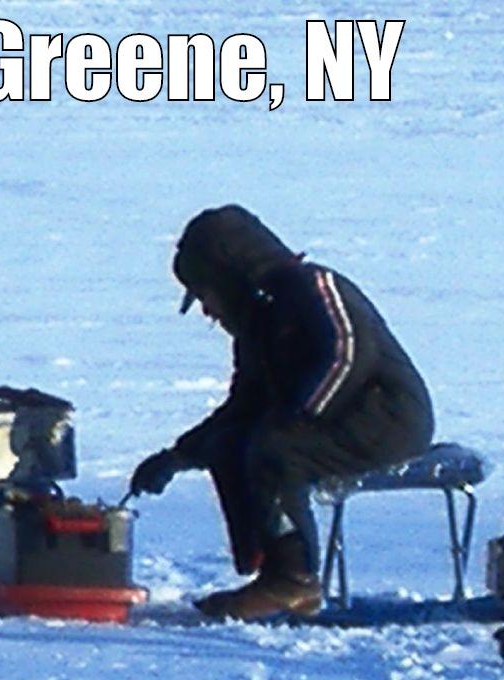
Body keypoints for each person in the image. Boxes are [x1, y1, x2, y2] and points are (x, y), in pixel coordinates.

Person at [130, 205, 434, 620]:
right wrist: (178, 455)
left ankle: (294, 583)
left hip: (390, 419)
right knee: (233, 441)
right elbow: (243, 408)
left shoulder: (314, 286)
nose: (207, 309)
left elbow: (346, 355)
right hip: (333, 425)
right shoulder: (258, 326)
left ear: (228, 276)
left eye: (206, 293)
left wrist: (300, 413)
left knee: (275, 447)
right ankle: (268, 566)